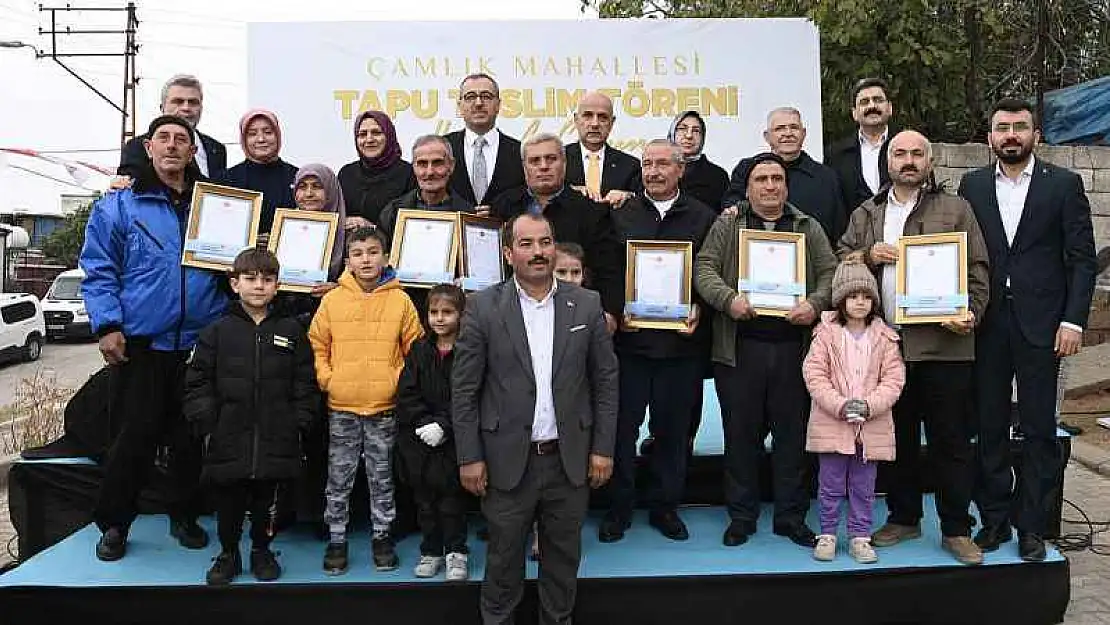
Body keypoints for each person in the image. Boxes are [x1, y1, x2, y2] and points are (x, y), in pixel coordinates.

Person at [452, 212, 618, 625]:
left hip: (569, 460)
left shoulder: (586, 303)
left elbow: (606, 382)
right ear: (509, 254)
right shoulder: (483, 307)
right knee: (503, 564)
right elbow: (464, 390)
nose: (538, 252)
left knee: (562, 565)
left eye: (545, 242)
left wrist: (602, 449)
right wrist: (469, 457)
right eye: (526, 244)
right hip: (507, 461)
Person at [81, 115, 230, 561]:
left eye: (181, 140)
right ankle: (114, 524)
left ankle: (183, 516)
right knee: (134, 438)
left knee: (189, 440)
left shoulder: (217, 205)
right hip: (143, 344)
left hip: (199, 344)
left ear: (192, 151)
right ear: (148, 148)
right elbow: (99, 268)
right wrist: (107, 325)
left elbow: (235, 268)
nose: (171, 146)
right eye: (162, 138)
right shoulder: (120, 205)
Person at [838, 130, 989, 566]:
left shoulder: (956, 208)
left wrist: (973, 313)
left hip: (945, 347)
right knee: (896, 438)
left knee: (951, 440)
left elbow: (977, 268)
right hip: (885, 348)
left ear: (929, 160)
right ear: (887, 162)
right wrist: (868, 254)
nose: (908, 160)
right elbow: (841, 255)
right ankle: (904, 517)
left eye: (916, 153)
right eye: (899, 153)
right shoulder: (868, 212)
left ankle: (957, 529)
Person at [959, 99, 1098, 562]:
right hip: (987, 325)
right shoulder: (972, 186)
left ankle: (1032, 526)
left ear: (1036, 135)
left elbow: (1082, 260)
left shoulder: (1064, 185)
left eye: (1020, 127)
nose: (1011, 135)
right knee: (990, 426)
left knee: (1040, 430)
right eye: (1002, 128)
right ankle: (994, 520)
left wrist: (1074, 319)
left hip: (1045, 328)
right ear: (990, 138)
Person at [694, 152, 837, 549]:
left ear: (786, 185)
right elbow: (703, 268)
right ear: (750, 185)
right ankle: (742, 516)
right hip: (741, 350)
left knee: (792, 440)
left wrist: (814, 303)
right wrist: (727, 300)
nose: (770, 185)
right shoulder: (728, 224)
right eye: (762, 179)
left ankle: (791, 517)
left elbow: (830, 272)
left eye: (777, 178)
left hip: (795, 352)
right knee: (741, 437)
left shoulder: (807, 226)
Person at [600, 139, 717, 544]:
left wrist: (699, 307)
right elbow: (608, 270)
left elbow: (711, 270)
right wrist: (616, 310)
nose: (654, 171)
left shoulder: (703, 217)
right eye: (647, 164)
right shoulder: (621, 214)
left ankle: (666, 507)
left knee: (672, 433)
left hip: (680, 348)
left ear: (680, 169)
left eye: (663, 163)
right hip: (629, 347)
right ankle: (619, 508)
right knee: (621, 431)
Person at [183, 248, 319, 585]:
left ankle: (262, 549)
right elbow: (197, 381)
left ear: (277, 286)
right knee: (229, 500)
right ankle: (229, 553)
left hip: (277, 433)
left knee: (267, 501)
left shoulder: (291, 330)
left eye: (267, 279)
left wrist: (300, 419)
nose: (259, 286)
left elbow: (305, 380)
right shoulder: (217, 331)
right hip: (229, 433)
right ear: (234, 283)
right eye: (251, 278)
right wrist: (208, 422)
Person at [308, 227, 424, 574]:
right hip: (341, 406)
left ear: (386, 257)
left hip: (383, 409)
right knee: (339, 476)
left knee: (381, 475)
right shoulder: (332, 300)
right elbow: (317, 344)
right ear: (348, 261)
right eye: (358, 254)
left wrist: (395, 384)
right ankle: (337, 538)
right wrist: (329, 379)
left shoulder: (401, 301)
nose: (366, 260)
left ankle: (382, 535)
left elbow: (413, 351)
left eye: (373, 252)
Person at [803, 259, 905, 564]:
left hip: (870, 430)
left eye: (865, 297)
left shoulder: (886, 337)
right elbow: (814, 374)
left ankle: (861, 536)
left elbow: (894, 378)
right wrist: (839, 404)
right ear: (840, 300)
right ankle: (828, 534)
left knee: (864, 487)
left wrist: (871, 405)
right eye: (852, 296)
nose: (859, 302)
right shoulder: (825, 334)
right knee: (830, 485)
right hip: (833, 424)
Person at [492, 133, 625, 330]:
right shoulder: (503, 206)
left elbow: (609, 268)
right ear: (524, 167)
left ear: (564, 162)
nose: (543, 166)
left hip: (572, 318)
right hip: (511, 317)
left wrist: (609, 313)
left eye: (551, 159)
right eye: (535, 160)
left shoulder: (592, 212)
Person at [396, 284, 470, 581]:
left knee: (452, 501)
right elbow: (406, 392)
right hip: (420, 440)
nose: (440, 319)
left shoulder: (469, 351)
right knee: (425, 502)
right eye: (434, 312)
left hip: (454, 440)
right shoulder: (419, 350)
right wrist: (424, 422)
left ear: (461, 315)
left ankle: (456, 552)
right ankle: (431, 551)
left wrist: (444, 425)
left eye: (448, 312)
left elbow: (470, 396)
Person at [725, 107, 846, 241]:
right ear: (767, 136)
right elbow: (732, 208)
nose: (788, 133)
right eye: (780, 129)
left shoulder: (827, 177)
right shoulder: (746, 169)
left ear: (803, 133)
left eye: (794, 127)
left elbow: (839, 229)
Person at [118, 75, 227, 179]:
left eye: (193, 102)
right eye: (178, 102)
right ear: (162, 107)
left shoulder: (216, 149)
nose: (186, 108)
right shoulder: (137, 147)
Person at [445, 73, 526, 206]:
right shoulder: (443, 149)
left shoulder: (520, 151)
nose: (478, 103)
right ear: (460, 106)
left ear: (498, 105)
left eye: (486, 96)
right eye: (470, 97)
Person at [378, 134, 477, 244]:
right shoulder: (393, 212)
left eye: (437, 163)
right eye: (422, 164)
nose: (430, 172)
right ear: (414, 167)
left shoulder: (468, 215)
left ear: (451, 166)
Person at [220, 109, 298, 235]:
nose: (261, 139)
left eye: (268, 132)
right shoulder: (226, 180)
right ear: (243, 140)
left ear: (278, 135)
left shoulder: (297, 177)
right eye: (252, 134)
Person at [337, 110, 417, 229]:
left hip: (391, 246)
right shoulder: (346, 173)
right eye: (362, 134)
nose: (369, 139)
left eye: (376, 133)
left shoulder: (408, 173)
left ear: (389, 135)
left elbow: (411, 224)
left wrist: (372, 228)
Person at [825, 78, 894, 214]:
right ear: (854, 113)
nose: (872, 106)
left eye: (878, 100)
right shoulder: (836, 154)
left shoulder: (907, 148)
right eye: (864, 102)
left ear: (890, 108)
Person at [564, 91, 641, 206]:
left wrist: (628, 196)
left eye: (602, 117)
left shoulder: (630, 165)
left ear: (612, 122)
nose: (595, 124)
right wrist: (568, 192)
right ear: (576, 119)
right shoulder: (558, 160)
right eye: (588, 116)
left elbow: (643, 202)